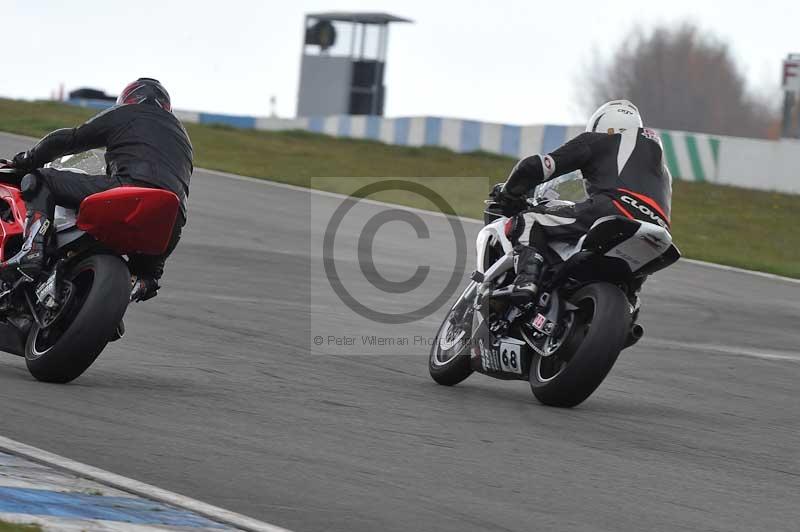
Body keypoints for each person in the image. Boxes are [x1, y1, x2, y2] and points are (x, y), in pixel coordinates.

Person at [5, 78, 193, 302]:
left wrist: (28, 159)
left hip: (130, 189)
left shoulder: (126, 113)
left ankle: (32, 250)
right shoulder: (184, 139)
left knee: (40, 180)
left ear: (129, 99)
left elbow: (70, 139)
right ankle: (134, 288)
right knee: (149, 275)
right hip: (172, 218)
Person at [492, 99, 672, 300]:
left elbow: (538, 166)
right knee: (629, 290)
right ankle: (628, 311)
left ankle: (527, 281)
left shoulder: (598, 141)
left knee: (528, 220)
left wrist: (509, 191)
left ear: (600, 125)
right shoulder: (663, 172)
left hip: (614, 208)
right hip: (659, 231)